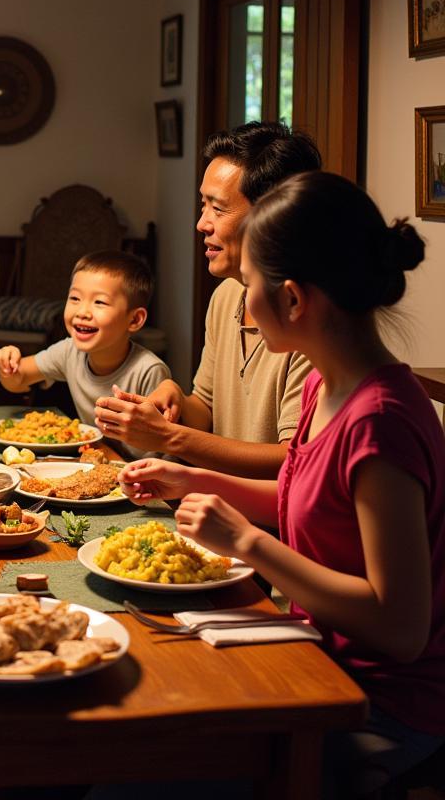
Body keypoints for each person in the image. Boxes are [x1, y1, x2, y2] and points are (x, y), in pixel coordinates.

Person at [118, 172, 445, 796]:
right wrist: (190, 478)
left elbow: (400, 627)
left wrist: (247, 542)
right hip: (309, 651)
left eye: (249, 287)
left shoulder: (381, 423)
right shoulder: (327, 383)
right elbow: (308, 499)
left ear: (293, 300)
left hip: (377, 702)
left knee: (144, 765)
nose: (242, 306)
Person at [96, 122, 321, 477]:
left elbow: (291, 462)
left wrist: (170, 438)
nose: (202, 223)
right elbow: (208, 408)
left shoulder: (309, 319)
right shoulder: (227, 293)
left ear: (273, 213)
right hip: (220, 504)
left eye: (218, 208)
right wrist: (176, 400)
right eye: (203, 205)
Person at [0, 251, 169, 460]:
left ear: (134, 320)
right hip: (100, 458)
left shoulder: (149, 371)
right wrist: (7, 364)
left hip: (146, 472)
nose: (82, 311)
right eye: (75, 298)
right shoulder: (69, 351)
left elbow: (167, 445)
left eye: (100, 302)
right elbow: (19, 378)